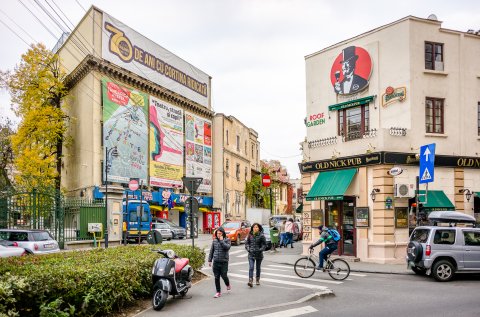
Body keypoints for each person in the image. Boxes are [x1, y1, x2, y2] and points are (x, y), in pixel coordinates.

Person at [208, 227, 231, 298]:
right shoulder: (214, 241)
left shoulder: (227, 240)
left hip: (224, 261)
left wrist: (221, 241)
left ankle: (227, 284)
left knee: (224, 275)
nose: (219, 234)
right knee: (216, 277)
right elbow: (211, 251)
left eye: (220, 233)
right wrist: (210, 260)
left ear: (223, 233)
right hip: (216, 262)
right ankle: (218, 292)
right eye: (217, 233)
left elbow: (227, 247)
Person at [245, 223, 267, 287]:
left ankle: (257, 279)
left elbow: (264, 245)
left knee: (258, 268)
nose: (255, 228)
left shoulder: (261, 236)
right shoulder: (250, 235)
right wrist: (248, 249)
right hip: (251, 254)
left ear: (259, 228)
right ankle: (250, 281)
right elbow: (246, 244)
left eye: (256, 227)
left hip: (259, 255)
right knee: (251, 267)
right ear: (252, 228)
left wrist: (260, 250)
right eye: (254, 227)